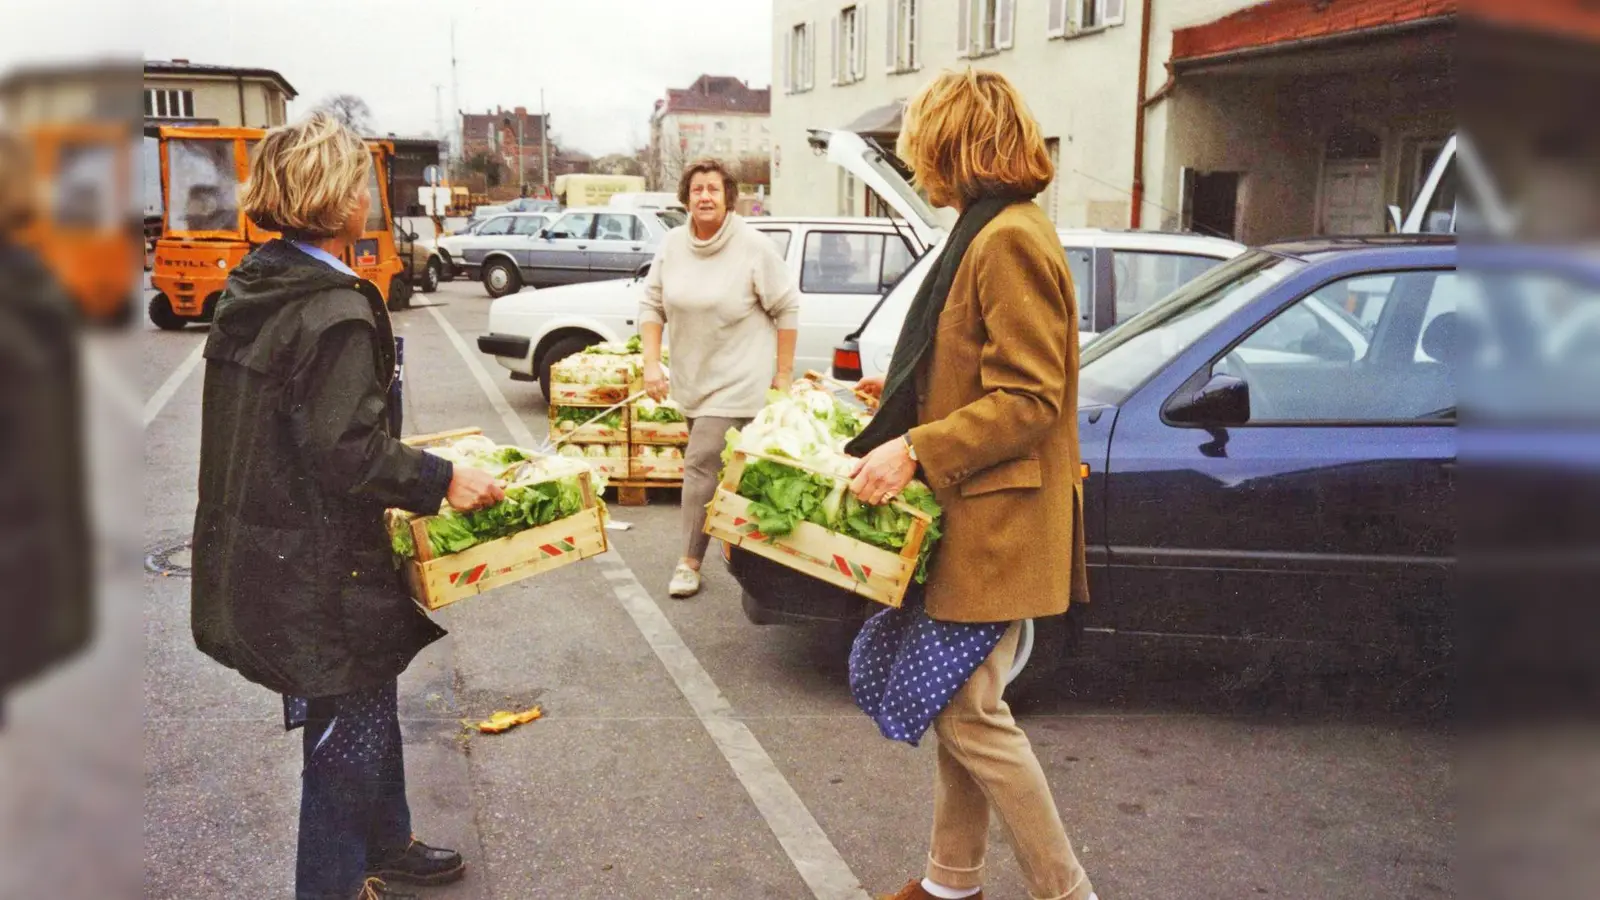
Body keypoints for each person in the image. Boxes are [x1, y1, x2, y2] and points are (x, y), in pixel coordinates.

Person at [190, 112, 505, 900]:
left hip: (271, 550)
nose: (368, 192)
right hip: (321, 566)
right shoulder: (331, 305)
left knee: (370, 691)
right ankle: (331, 883)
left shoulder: (260, 281)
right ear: (335, 196)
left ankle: (387, 841)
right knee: (345, 738)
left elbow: (313, 429)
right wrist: (442, 479)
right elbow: (346, 454)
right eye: (360, 179)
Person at [845, 70, 1099, 900]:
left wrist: (916, 447)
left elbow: (1030, 398)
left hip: (998, 523)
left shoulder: (1008, 237)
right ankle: (952, 883)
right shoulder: (989, 231)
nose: (915, 161)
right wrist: (902, 403)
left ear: (956, 144)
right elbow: (973, 369)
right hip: (979, 519)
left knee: (968, 716)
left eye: (923, 144)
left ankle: (1068, 892)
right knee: (965, 705)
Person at [639, 158, 800, 598]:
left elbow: (787, 307)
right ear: (685, 198)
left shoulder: (752, 246)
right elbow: (651, 305)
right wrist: (652, 364)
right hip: (692, 381)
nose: (705, 197)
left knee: (700, 463)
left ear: (729, 198)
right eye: (697, 190)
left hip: (738, 380)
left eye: (713, 189)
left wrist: (782, 377)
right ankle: (757, 554)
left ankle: (689, 562)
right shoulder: (672, 245)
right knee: (727, 472)